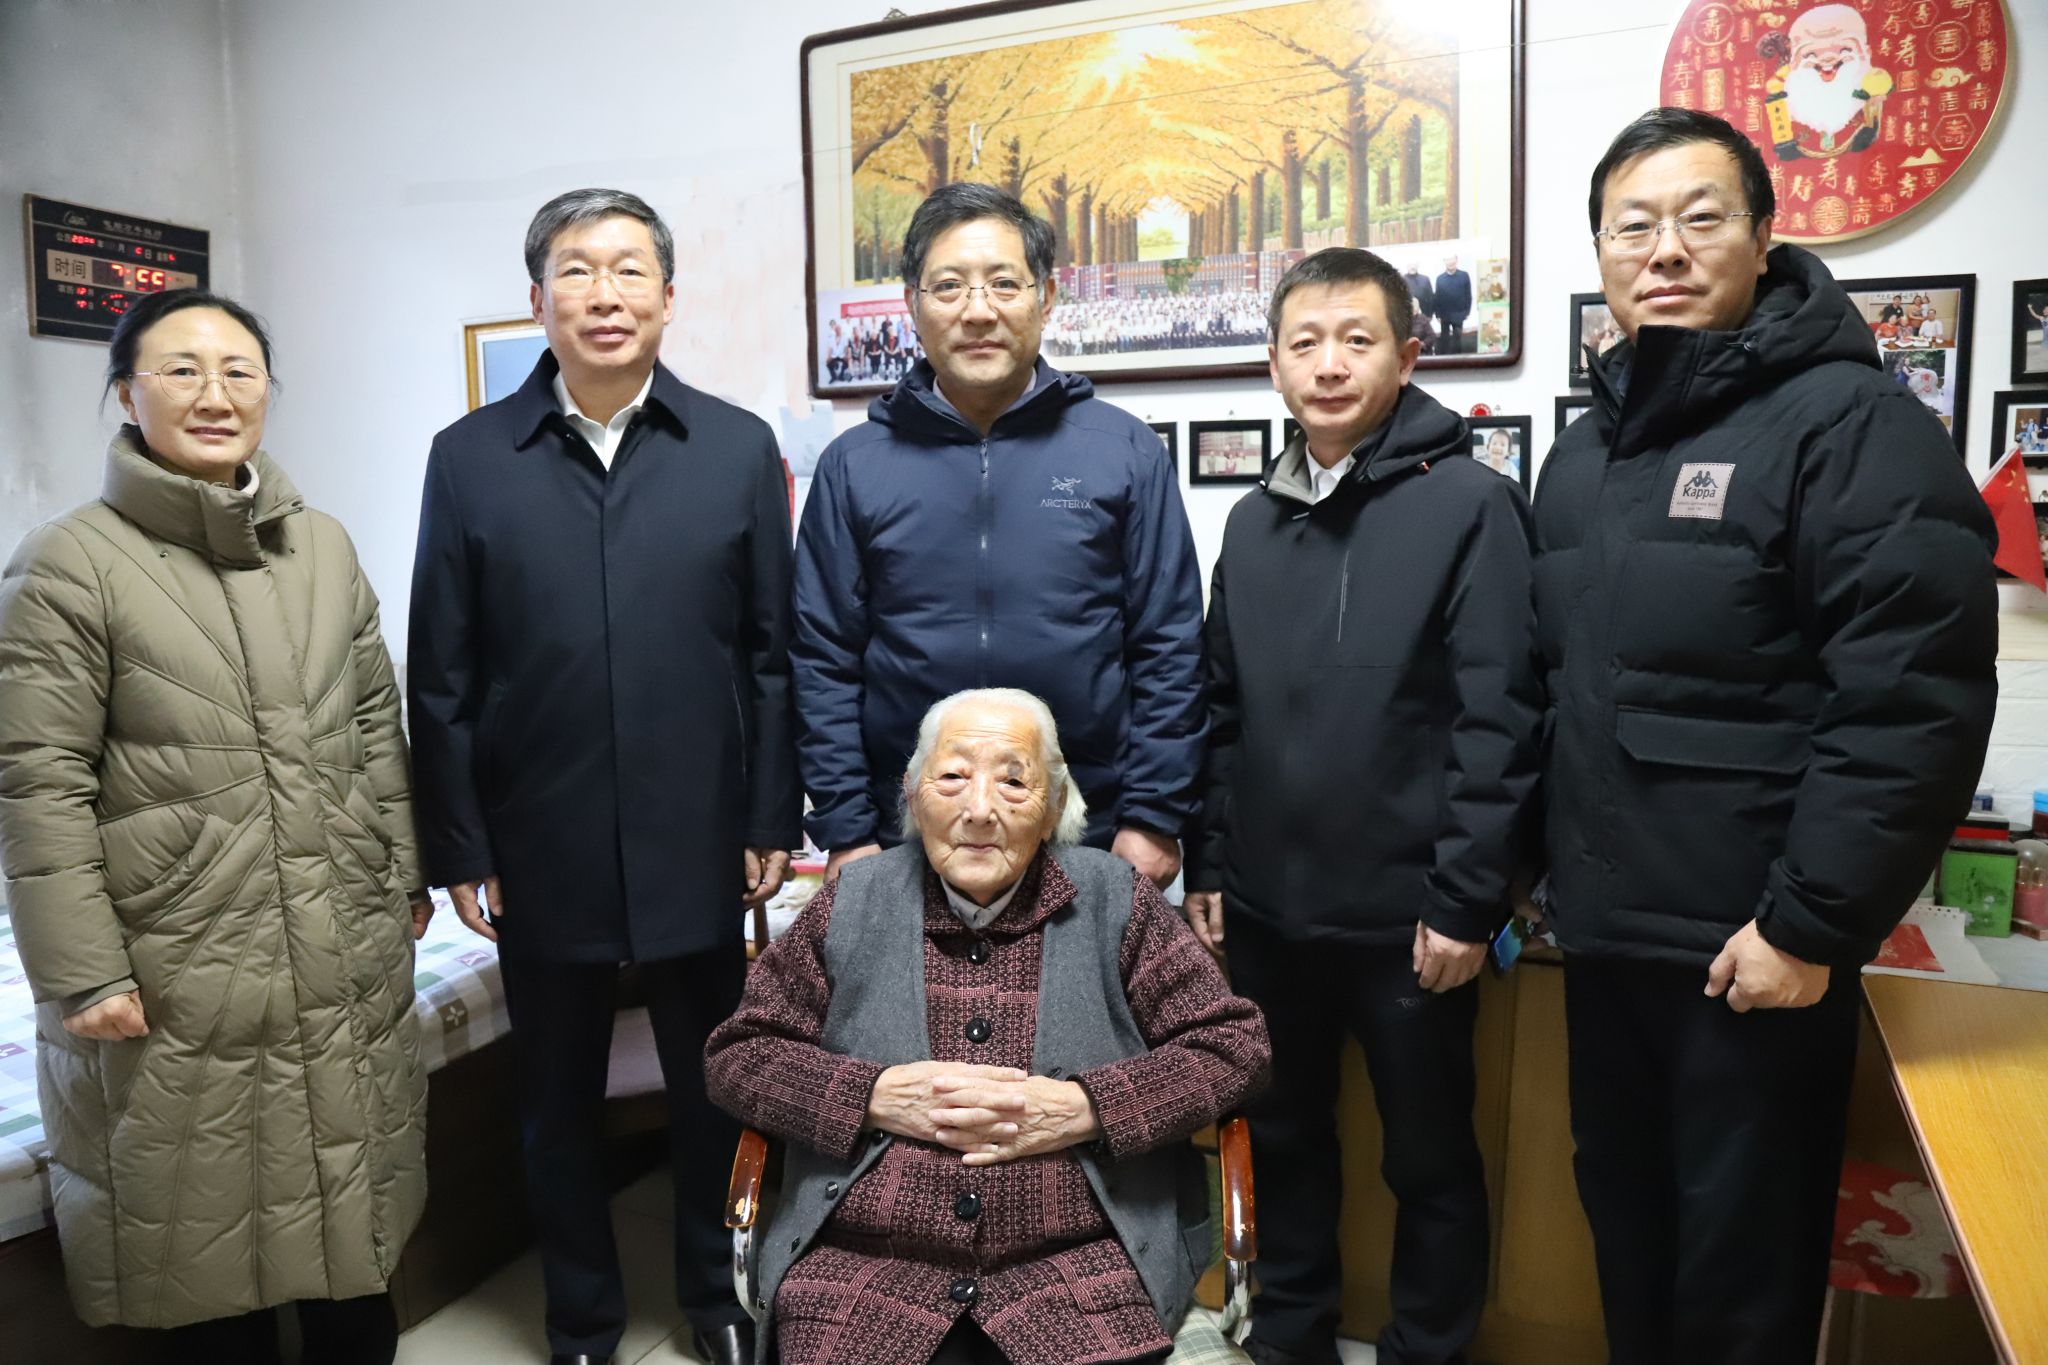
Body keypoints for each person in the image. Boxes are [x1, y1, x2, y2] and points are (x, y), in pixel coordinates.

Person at [1535, 108, 1997, 1365]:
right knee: (1626, 1243)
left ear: (1762, 234)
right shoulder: (1582, 454)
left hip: (1752, 953)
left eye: (1699, 218)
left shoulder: (1850, 425)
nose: (1663, 249)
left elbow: (1910, 697)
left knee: (1741, 1281)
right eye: (1631, 226)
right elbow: (1554, 688)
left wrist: (1808, 925)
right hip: (1606, 942)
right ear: (1599, 251)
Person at [407, 187, 799, 1365]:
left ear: (668, 297)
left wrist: (768, 813)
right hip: (541, 836)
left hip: (699, 829)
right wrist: (459, 842)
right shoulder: (469, 458)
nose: (604, 294)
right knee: (555, 1100)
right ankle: (579, 1317)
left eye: (629, 270)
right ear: (537, 300)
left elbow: (771, 656)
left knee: (711, 1086)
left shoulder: (735, 448)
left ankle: (715, 1300)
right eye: (576, 270)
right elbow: (441, 672)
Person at [0, 288, 428, 1363]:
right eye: (181, 369)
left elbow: (374, 728)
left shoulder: (321, 546)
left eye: (239, 370)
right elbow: (37, 779)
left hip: (338, 945)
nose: (214, 394)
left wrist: (402, 878)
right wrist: (82, 970)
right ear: (125, 393)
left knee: (355, 1251)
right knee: (204, 1258)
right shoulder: (68, 562)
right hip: (177, 965)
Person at [1182, 249, 1540, 1365]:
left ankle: (1428, 1348)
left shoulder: (1473, 506)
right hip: (1267, 912)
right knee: (1282, 1138)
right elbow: (1220, 710)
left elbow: (1499, 719)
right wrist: (1210, 863)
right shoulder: (1252, 521)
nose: (1328, 365)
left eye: (1356, 340)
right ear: (1274, 365)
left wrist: (1466, 899)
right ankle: (1289, 1337)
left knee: (1426, 1159)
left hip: (1410, 921)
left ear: (1407, 355)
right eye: (1305, 343)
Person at [705, 688, 1270, 1365]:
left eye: (1013, 781)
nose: (978, 809)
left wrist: (1087, 1108)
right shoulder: (852, 902)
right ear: (913, 794)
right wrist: (872, 1096)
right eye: (951, 777)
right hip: (862, 1270)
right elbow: (739, 1055)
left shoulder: (1117, 901)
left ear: (1054, 805)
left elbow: (1234, 1048)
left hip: (1084, 1273)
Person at [793, 183, 1205, 890]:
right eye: (949, 286)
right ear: (913, 304)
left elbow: (1169, 644)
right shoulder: (854, 465)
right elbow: (823, 658)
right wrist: (846, 828)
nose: (978, 310)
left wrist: (1154, 813)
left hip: (1091, 827)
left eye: (1004, 284)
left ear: (1047, 298)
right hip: (906, 835)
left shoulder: (1123, 452)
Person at [1431, 255, 1472, 355]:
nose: (1450, 262)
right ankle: (1445, 360)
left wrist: (1467, 312)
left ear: (1456, 260)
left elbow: (1468, 294)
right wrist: (1437, 314)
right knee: (1445, 340)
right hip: (1444, 314)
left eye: (1452, 260)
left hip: (1459, 314)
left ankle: (1458, 360)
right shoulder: (1440, 278)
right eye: (1448, 260)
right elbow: (1437, 297)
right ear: (1444, 261)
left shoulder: (1464, 275)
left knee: (1457, 340)